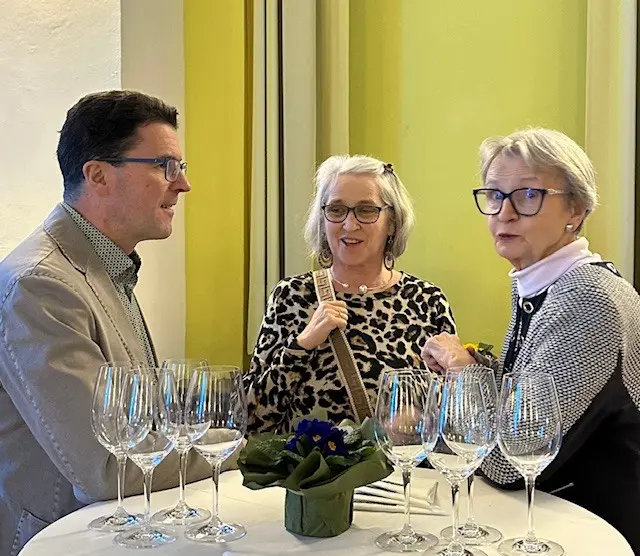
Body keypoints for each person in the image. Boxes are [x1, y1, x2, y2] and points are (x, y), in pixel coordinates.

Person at [0, 90, 210, 554]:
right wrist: (239, 446)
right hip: (58, 542)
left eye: (180, 166)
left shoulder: (104, 265)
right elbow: (105, 467)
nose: (182, 184)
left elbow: (141, 422)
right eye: (164, 166)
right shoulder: (40, 284)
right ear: (97, 174)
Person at [422, 128, 640, 552]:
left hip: (594, 531)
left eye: (527, 195)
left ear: (575, 209)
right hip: (553, 516)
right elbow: (528, 392)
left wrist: (464, 374)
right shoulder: (543, 282)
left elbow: (511, 460)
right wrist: (476, 369)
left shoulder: (586, 297)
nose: (503, 213)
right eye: (494, 195)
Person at [246, 155, 456, 434]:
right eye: (336, 210)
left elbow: (458, 415)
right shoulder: (292, 297)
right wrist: (303, 344)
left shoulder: (428, 302)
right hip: (310, 463)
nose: (349, 224)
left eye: (366, 211)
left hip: (404, 463)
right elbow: (251, 418)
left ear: (392, 222)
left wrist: (418, 419)